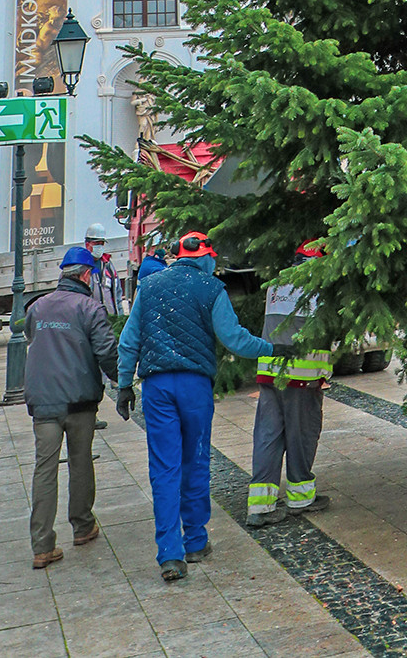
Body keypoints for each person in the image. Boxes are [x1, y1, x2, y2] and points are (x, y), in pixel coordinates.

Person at [117, 230, 273, 581]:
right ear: (204, 257)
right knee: (196, 460)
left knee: (164, 468)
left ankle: (170, 555)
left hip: (157, 387)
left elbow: (129, 340)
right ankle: (196, 541)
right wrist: (271, 349)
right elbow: (234, 339)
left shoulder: (149, 286)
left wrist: (125, 385)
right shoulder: (211, 288)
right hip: (194, 386)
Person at [24, 246, 120, 570]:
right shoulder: (90, 308)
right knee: (80, 462)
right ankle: (82, 526)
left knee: (44, 469)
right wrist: (121, 381)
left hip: (43, 402)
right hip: (79, 401)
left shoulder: (37, 307)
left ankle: (42, 546)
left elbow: (28, 335)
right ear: (87, 275)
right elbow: (106, 351)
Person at [248, 241, 334, 527]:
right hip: (301, 376)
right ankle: (301, 498)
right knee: (302, 435)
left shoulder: (276, 285)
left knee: (268, 436)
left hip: (269, 372)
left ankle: (260, 506)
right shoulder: (319, 287)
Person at [85, 222, 126, 316]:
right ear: (88, 245)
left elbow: (117, 295)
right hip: (92, 320)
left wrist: (120, 316)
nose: (99, 247)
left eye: (102, 243)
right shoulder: (82, 267)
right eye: (96, 243)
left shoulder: (108, 265)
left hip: (110, 319)